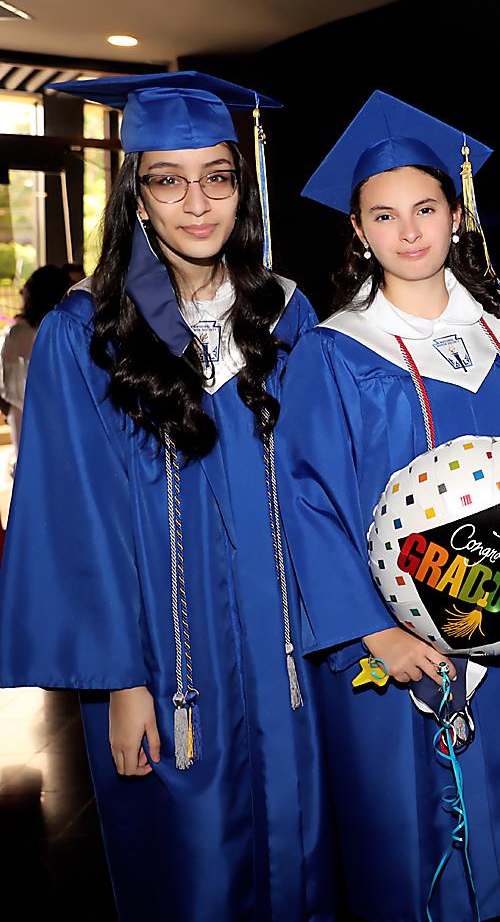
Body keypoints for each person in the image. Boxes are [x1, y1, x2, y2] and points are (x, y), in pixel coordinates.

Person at [0, 72, 333, 919]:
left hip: (286, 652)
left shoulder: (281, 317)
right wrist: (120, 682)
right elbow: (77, 518)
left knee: (299, 856)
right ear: (136, 194)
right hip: (169, 664)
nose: (196, 202)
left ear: (241, 188)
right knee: (194, 875)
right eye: (169, 179)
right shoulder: (86, 335)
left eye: (217, 177)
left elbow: (319, 486)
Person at [280, 91, 500, 922]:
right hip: (403, 655)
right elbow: (307, 501)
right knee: (420, 862)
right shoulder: (335, 354)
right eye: (384, 215)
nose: (408, 232)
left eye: (425, 209)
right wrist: (375, 630)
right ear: (359, 230)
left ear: (456, 215)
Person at [1, 265, 70, 466]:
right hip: (33, 420)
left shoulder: (49, 330)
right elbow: (11, 387)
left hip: (33, 419)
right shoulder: (23, 333)